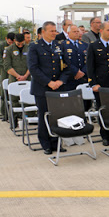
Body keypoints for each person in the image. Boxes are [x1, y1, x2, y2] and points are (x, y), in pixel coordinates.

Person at [27, 21, 72, 155]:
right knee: (44, 116)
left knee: (57, 116)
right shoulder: (34, 47)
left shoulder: (60, 45)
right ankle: (45, 144)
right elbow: (33, 68)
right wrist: (49, 82)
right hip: (42, 88)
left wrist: (60, 81)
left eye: (55, 31)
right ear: (43, 32)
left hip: (58, 87)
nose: (54, 33)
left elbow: (67, 66)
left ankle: (56, 143)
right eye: (51, 31)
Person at [60, 25, 88, 91]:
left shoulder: (84, 45)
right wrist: (76, 71)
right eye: (74, 31)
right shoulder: (63, 45)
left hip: (83, 77)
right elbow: (64, 61)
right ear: (68, 33)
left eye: (77, 31)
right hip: (70, 77)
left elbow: (89, 60)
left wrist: (83, 72)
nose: (76, 33)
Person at [0, 32, 16, 121]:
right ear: (6, 39)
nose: (11, 44)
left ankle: (14, 116)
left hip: (14, 71)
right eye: (9, 42)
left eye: (12, 42)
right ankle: (4, 114)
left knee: (14, 93)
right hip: (4, 71)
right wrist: (6, 65)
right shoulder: (2, 46)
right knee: (4, 93)